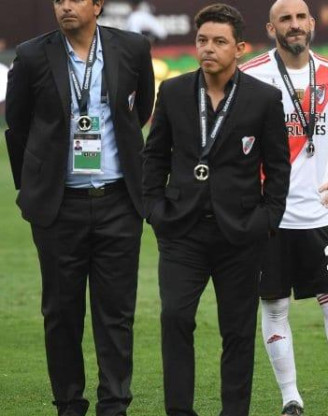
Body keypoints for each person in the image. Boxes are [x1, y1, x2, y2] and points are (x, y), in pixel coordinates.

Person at [4, 0, 154, 414]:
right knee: (61, 314)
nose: (65, 6)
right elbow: (17, 128)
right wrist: (31, 189)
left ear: (98, 5)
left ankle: (114, 405)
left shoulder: (132, 48)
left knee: (116, 314)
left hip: (119, 202)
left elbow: (140, 112)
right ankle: (69, 405)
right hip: (58, 208)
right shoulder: (33, 54)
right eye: (58, 0)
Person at [142, 4, 291, 415]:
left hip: (240, 235)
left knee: (238, 332)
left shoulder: (264, 98)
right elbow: (153, 158)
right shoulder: (172, 92)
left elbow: (279, 169)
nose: (209, 49)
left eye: (219, 42)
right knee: (174, 319)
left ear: (239, 48)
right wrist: (154, 209)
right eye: (202, 40)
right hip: (181, 232)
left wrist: (264, 222)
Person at [240, 1, 328, 415]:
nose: (295, 25)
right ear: (271, 27)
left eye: (301, 18)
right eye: (286, 19)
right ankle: (291, 399)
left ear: (312, 24)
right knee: (275, 306)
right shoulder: (250, 75)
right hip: (269, 216)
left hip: (319, 213)